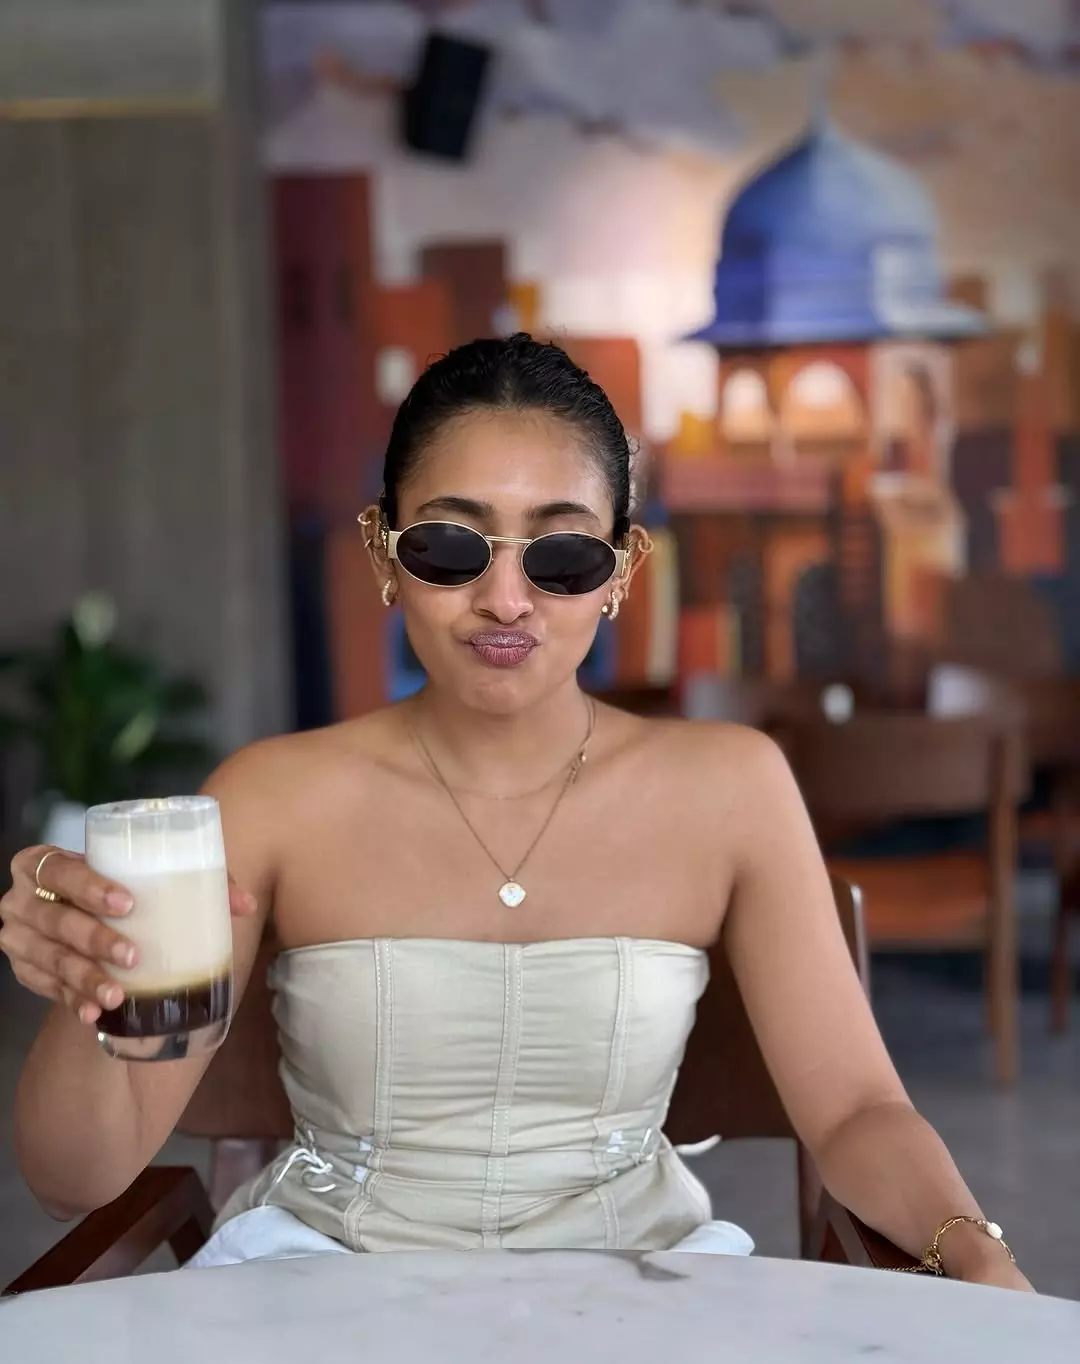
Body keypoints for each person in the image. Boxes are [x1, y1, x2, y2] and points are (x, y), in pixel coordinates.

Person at [2, 335, 1030, 1288]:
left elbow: (856, 1111)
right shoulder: (270, 797)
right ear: (383, 553)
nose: (504, 598)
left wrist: (976, 1252)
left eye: (561, 555)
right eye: (451, 547)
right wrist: (89, 980)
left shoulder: (732, 787)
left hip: (641, 1302)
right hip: (324, 1293)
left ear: (621, 571)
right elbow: (74, 1177)